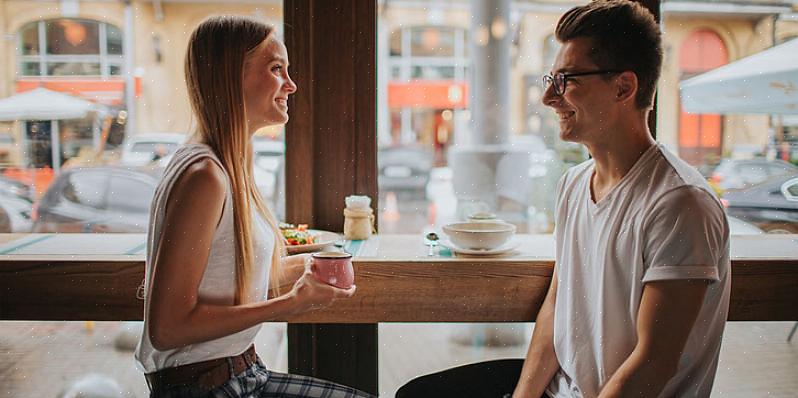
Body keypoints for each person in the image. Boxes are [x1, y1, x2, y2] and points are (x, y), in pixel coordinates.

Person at [396, 1, 731, 397]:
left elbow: (652, 365)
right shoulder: (574, 184)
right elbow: (558, 308)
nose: (548, 99)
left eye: (567, 80)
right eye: (550, 80)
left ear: (624, 87)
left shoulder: (680, 203)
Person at [135, 16, 374, 398]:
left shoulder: (224, 164)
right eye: (276, 68)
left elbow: (231, 276)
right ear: (232, 76)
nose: (291, 85)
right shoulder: (205, 176)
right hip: (208, 387)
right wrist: (289, 304)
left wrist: (314, 267)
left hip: (242, 374)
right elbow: (166, 328)